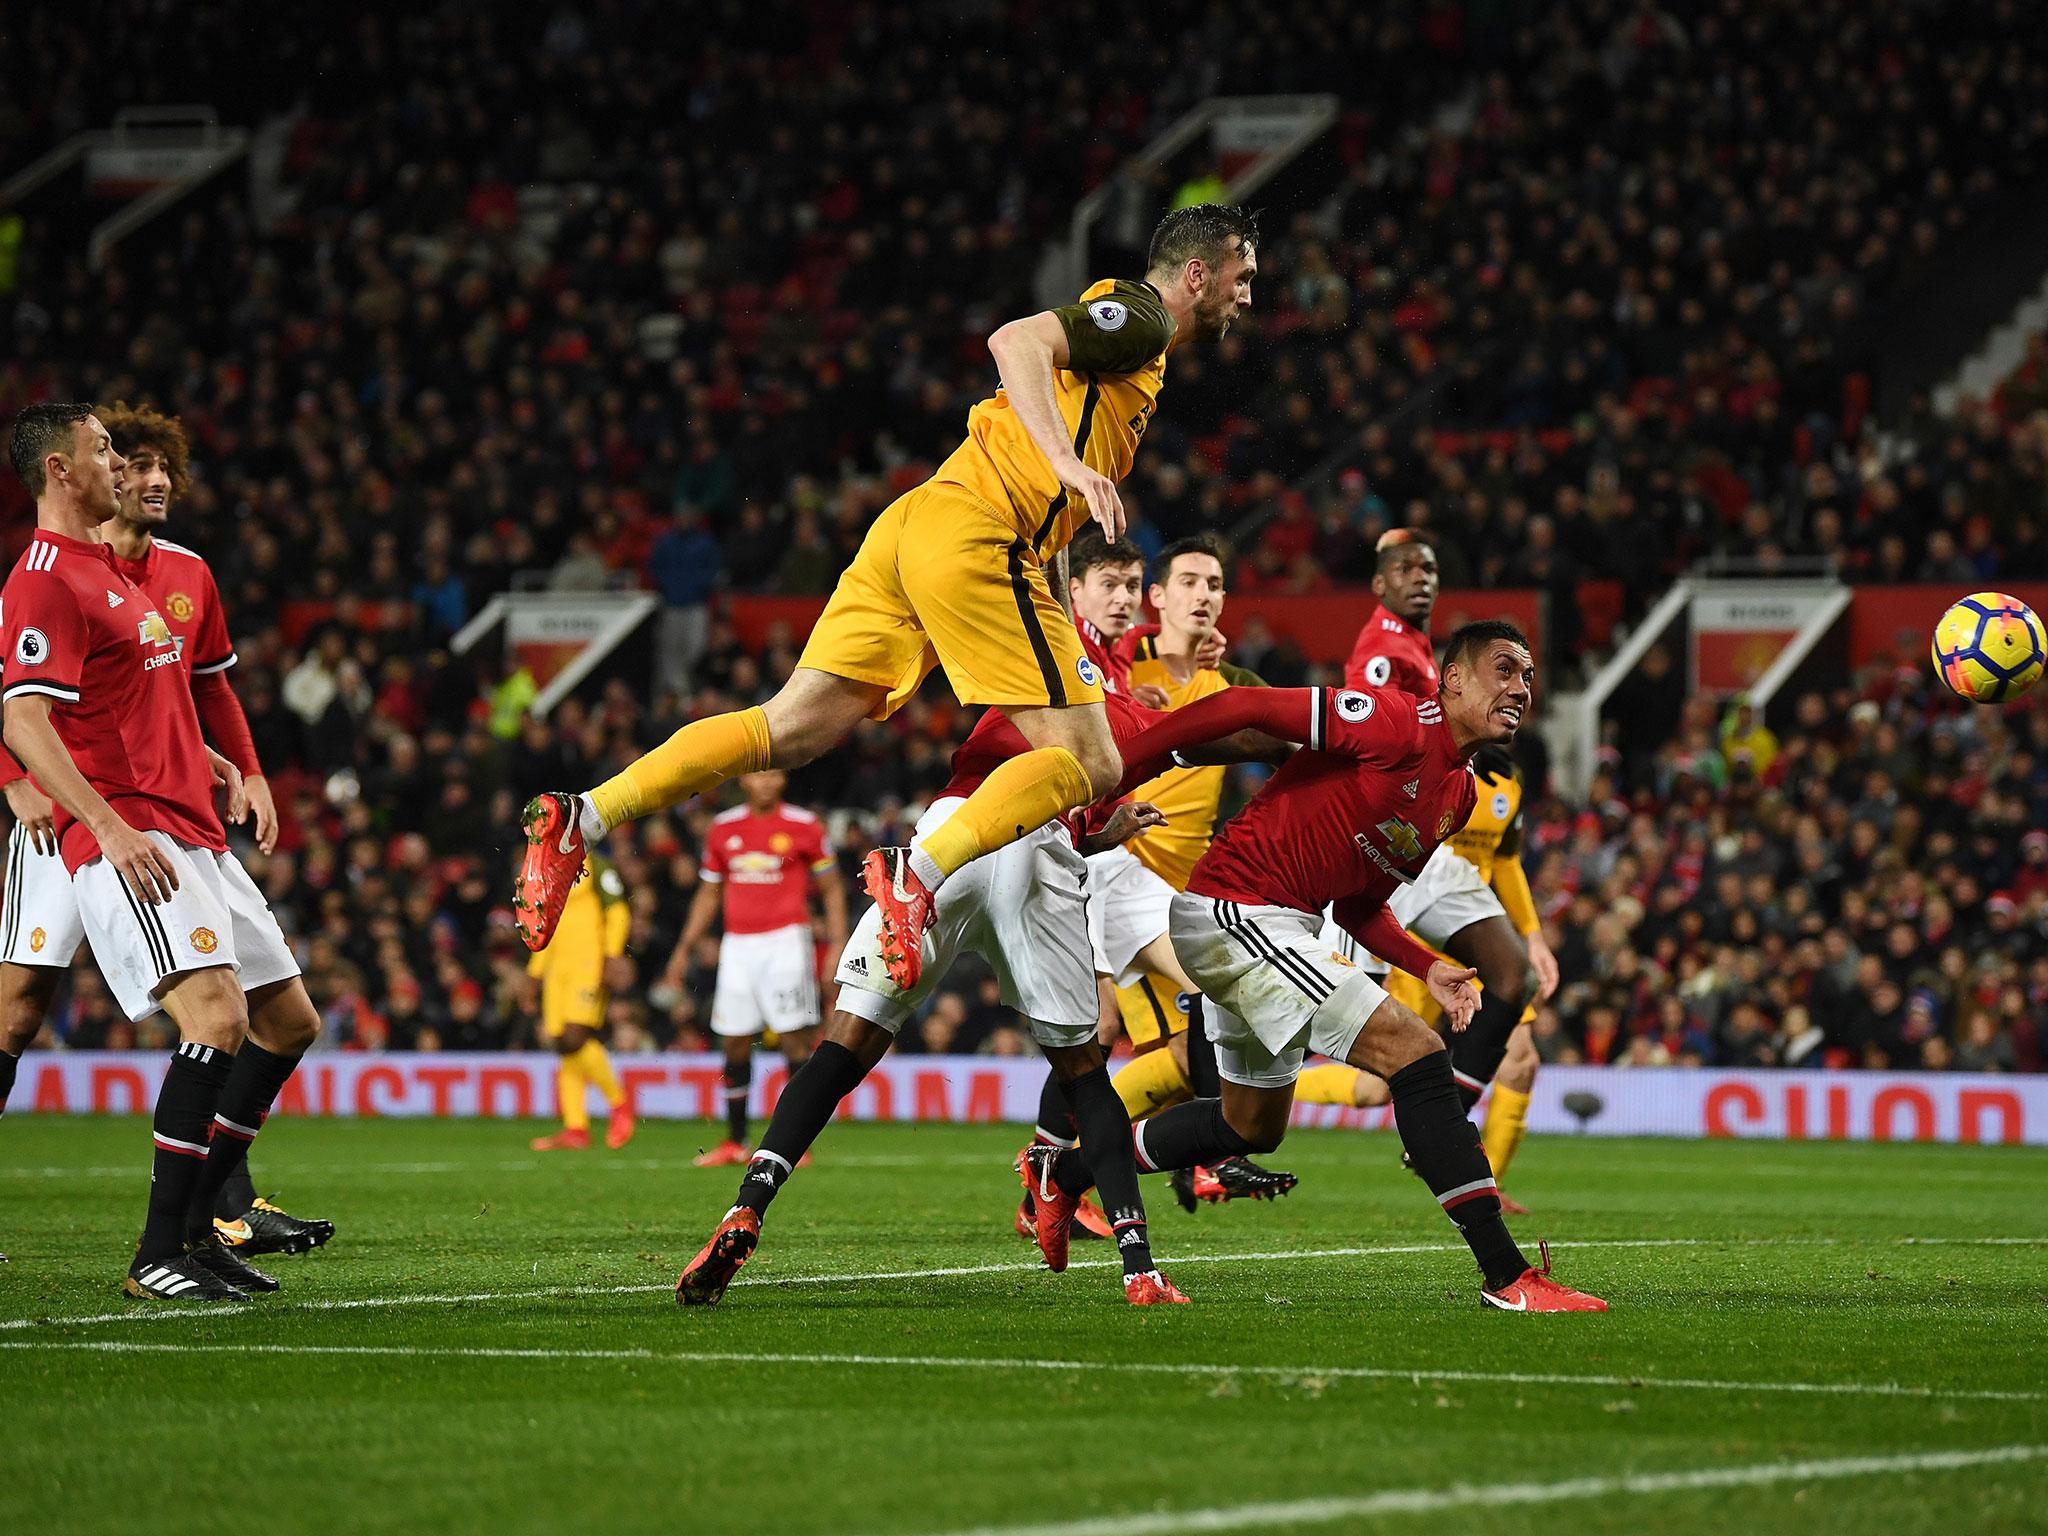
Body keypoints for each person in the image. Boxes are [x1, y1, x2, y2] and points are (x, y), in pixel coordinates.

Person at [513, 206, 1260, 996]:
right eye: (1242, 278)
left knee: (792, 728)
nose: (1248, 297)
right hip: (976, 533)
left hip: (920, 525)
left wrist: (1062, 520)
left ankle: (583, 817)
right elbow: (1015, 340)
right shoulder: (1141, 317)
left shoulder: (1140, 361)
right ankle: (917, 875)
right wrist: (1067, 464)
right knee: (1092, 758)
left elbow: (1052, 489)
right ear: (1198, 274)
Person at [1029, 621, 1606, 1311]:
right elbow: (1246, 709)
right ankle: (1507, 1276)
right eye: (1504, 670)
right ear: (1452, 679)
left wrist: (1429, 967)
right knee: (1417, 1054)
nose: (1521, 688)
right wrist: (1120, 765)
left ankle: (1062, 1172)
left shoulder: (1456, 796)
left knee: (1248, 1127)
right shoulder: (1393, 719)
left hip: (1271, 923)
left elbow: (1360, 907)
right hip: (1235, 913)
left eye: (1529, 677)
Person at [2, 404, 324, 1302]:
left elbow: (150, 691)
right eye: (105, 451)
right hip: (131, 831)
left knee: (290, 1019)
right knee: (211, 1019)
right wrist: (102, 825)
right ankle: (161, 1248)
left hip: (193, 826)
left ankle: (200, 1231)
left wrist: (220, 760)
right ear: (61, 471)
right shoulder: (42, 580)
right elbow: (23, 714)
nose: (125, 467)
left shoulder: (128, 571)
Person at [1298, 527, 1559, 1203]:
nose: (1423, 578)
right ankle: (1223, 1086)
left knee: (1510, 989)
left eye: (1431, 567)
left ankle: (1453, 1140)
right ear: (1380, 584)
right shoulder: (1385, 652)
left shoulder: (1428, 658)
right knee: (1369, 1072)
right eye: (1407, 568)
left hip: (1427, 850)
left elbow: (1508, 856)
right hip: (1387, 839)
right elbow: (1371, 738)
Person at [660, 770, 847, 1166]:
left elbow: (831, 888)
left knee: (794, 1039)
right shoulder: (724, 828)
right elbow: (709, 893)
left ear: (782, 780)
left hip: (786, 942)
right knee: (733, 1039)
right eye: (757, 774)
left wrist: (836, 944)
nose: (764, 782)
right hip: (738, 944)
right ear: (744, 781)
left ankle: (797, 1143)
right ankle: (736, 1141)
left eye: (772, 774)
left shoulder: (804, 825)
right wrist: (683, 948)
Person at [524, 852, 637, 1152]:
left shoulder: (597, 865)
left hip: (589, 964)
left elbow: (617, 912)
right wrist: (534, 973)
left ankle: (620, 1104)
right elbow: (542, 923)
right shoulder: (544, 870)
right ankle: (576, 1128)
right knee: (563, 1045)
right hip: (556, 970)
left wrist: (612, 955)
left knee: (574, 1038)